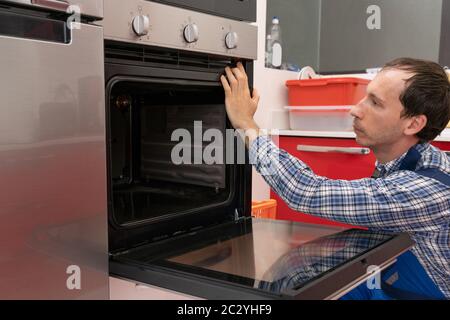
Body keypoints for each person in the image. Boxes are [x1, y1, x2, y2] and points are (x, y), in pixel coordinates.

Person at [220, 58, 450, 300]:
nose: (355, 110)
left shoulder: (427, 189)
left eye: (375, 103)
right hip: (391, 281)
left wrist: (245, 123)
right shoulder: (407, 159)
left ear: (414, 123)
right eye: (365, 96)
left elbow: (305, 191)